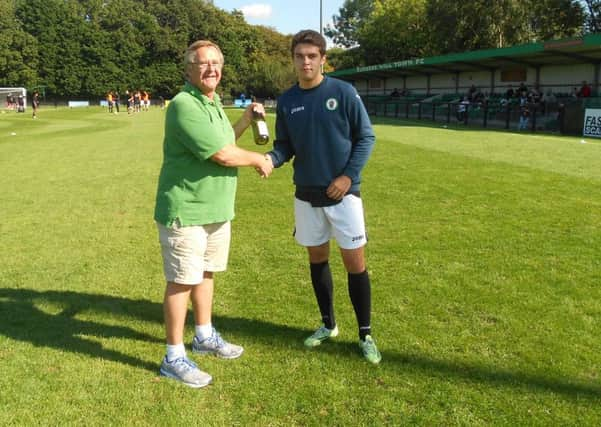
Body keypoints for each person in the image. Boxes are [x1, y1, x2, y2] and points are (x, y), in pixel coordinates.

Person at [154, 39, 273, 388]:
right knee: (181, 282)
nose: (211, 69)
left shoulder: (213, 103)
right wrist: (258, 160)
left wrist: (245, 120)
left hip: (215, 209)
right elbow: (222, 155)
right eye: (203, 63)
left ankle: (203, 336)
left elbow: (223, 142)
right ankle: (173, 357)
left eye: (216, 63)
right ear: (188, 68)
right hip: (186, 210)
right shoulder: (183, 105)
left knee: (205, 274)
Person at [264, 30, 381, 364]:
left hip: (344, 195)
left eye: (312, 56)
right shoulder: (286, 101)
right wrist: (271, 160)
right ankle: (328, 325)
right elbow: (284, 144)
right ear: (293, 59)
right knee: (317, 259)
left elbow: (366, 137)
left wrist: (347, 177)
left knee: (354, 263)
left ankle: (365, 333)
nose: (306, 62)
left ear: (323, 59)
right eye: (300, 56)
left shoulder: (342, 92)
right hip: (306, 194)